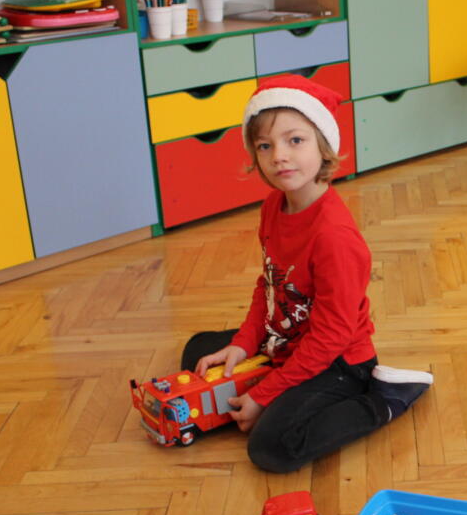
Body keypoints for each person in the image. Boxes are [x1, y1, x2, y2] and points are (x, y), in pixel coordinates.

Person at [180, 74, 433, 473]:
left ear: (323, 145)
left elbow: (331, 337)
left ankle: (383, 399)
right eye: (265, 145)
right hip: (287, 340)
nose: (279, 155)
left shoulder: (335, 237)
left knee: (272, 447)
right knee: (197, 351)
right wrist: (243, 346)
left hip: (338, 362)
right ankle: (270, 386)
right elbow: (269, 285)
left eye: (295, 140)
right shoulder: (273, 206)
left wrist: (264, 393)